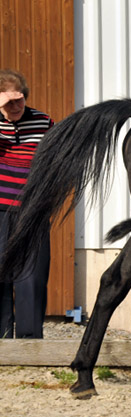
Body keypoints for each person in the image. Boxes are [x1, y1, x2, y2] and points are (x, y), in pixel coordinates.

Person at [0, 69, 53, 338]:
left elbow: (56, 163)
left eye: (20, 99)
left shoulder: (43, 122)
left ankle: (30, 343)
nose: (17, 105)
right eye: (9, 101)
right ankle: (2, 340)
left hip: (32, 210)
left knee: (32, 277)